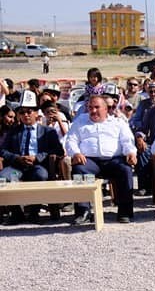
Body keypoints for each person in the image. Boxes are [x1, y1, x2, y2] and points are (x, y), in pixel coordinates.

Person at [64, 95, 138, 225]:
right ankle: (84, 211)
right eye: (90, 107)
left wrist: (131, 153)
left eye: (97, 107)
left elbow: (127, 141)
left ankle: (124, 211)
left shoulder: (118, 123)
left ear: (106, 109)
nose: (93, 111)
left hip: (113, 160)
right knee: (79, 170)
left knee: (125, 169)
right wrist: (75, 153)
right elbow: (71, 140)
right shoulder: (80, 121)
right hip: (90, 162)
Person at [0, 91, 64, 224]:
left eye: (29, 111)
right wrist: (17, 158)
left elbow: (57, 150)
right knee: (3, 178)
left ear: (36, 113)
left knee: (40, 176)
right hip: (17, 167)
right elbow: (2, 150)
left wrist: (37, 157)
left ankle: (34, 212)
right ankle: (16, 213)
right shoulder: (14, 131)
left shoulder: (48, 132)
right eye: (22, 112)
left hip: (37, 165)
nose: (26, 115)